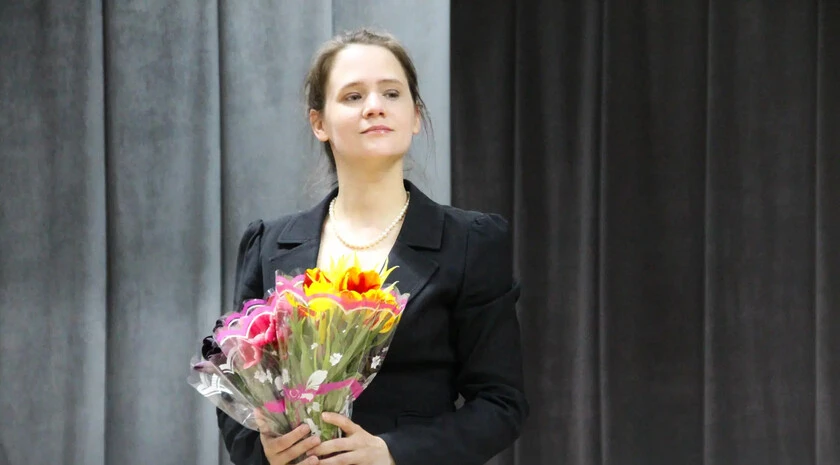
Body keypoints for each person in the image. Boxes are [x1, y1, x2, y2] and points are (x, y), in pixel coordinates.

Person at [212, 28, 528, 465]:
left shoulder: (471, 242)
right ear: (319, 123)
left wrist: (392, 452)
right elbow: (237, 390)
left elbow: (500, 404)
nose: (375, 106)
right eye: (353, 96)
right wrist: (267, 451)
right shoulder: (268, 243)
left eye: (392, 93)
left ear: (415, 116)